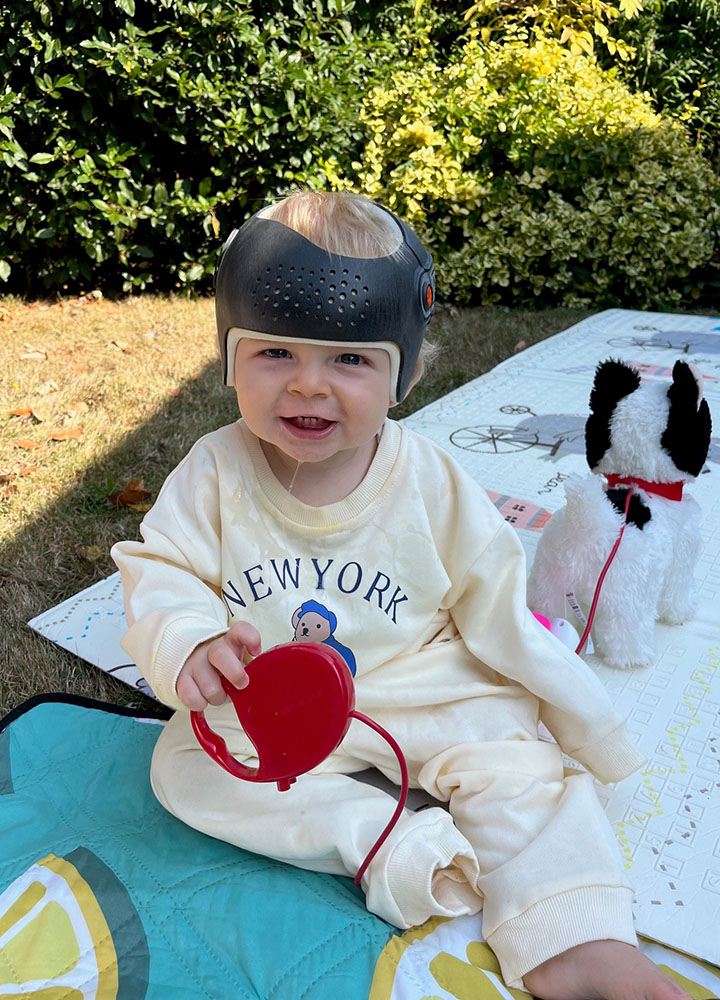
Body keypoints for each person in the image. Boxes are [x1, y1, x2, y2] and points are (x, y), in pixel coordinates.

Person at [112, 191, 689, 1000]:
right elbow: (162, 569)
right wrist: (190, 640)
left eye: (349, 360)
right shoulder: (213, 472)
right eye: (275, 353)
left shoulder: (429, 481)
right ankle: (383, 843)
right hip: (272, 699)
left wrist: (568, 709)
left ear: (403, 372)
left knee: (522, 764)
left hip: (417, 680)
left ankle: (576, 935)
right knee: (183, 768)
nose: (309, 387)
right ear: (229, 357)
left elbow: (497, 604)